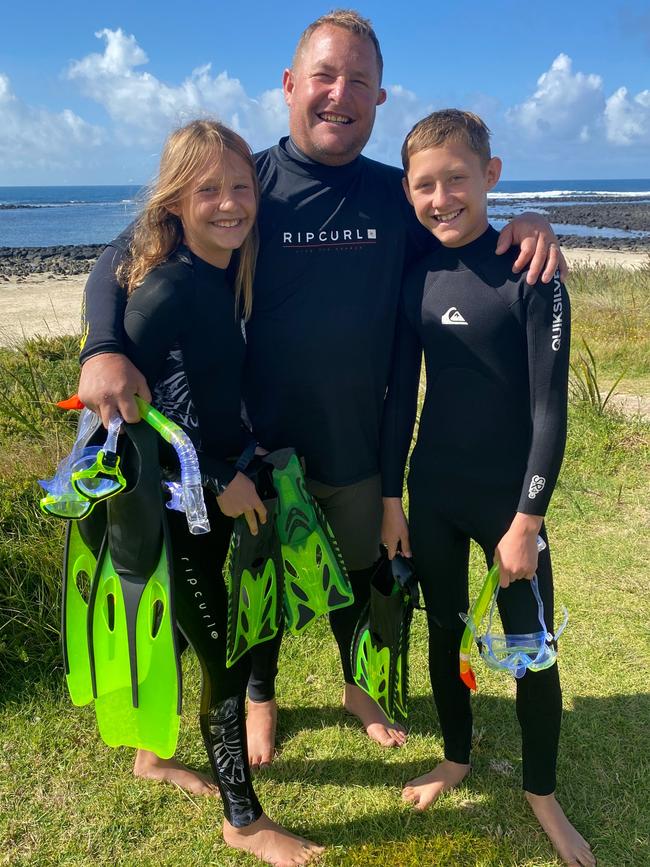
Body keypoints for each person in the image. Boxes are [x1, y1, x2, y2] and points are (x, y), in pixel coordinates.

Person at [77, 10, 567, 780]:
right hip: (260, 440)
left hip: (358, 436)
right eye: (325, 77)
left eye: (359, 84)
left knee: (366, 573)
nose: (340, 95)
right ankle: (263, 694)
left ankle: (357, 689)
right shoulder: (247, 186)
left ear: (378, 100)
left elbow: (463, 230)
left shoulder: (392, 196)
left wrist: (530, 224)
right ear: (289, 87)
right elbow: (124, 252)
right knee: (260, 579)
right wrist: (103, 345)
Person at [380, 109, 594, 867]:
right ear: (409, 192)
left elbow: (548, 408)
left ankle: (542, 792)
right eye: (426, 186)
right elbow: (401, 397)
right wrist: (391, 498)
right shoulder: (416, 275)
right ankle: (458, 754)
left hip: (509, 502)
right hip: (432, 490)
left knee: (532, 651)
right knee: (444, 631)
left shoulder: (532, 275)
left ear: (491, 176)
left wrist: (527, 520)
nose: (443, 197)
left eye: (458, 179)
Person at [117, 118, 323, 867]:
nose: (232, 203)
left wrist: (247, 455)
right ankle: (242, 818)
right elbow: (131, 418)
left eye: (242, 187)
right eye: (210, 190)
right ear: (176, 199)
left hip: (224, 479)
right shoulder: (168, 286)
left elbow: (203, 387)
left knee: (183, 628)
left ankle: (148, 754)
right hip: (180, 503)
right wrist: (213, 479)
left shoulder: (226, 265)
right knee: (222, 658)